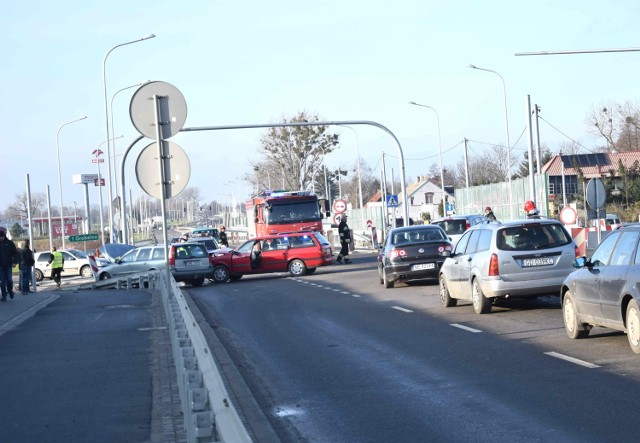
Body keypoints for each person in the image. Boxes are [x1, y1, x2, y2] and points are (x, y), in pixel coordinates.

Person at [0, 228, 18, 301]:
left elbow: (15, 253)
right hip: (0, 266)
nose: (0, 238)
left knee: (9, 280)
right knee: (2, 281)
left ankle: (10, 291)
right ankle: (4, 296)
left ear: (4, 236)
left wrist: (15, 262)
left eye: (1, 237)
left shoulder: (10, 243)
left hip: (8, 265)